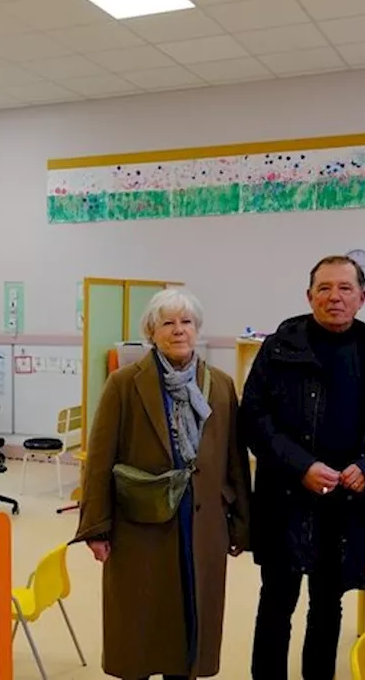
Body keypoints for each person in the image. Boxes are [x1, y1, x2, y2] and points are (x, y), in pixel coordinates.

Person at [243, 256, 365, 680]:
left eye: (344, 288)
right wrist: (302, 466)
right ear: (309, 295)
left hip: (349, 502)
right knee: (277, 601)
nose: (334, 297)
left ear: (362, 297)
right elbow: (254, 419)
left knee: (328, 603)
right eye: (324, 288)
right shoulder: (280, 346)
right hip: (286, 496)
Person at [74, 287, 252, 680]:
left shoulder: (219, 385)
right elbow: (100, 460)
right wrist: (96, 527)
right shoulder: (125, 383)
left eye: (186, 322)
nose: (178, 331)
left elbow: (234, 460)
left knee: (192, 612)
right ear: (151, 332)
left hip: (202, 520)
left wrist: (240, 523)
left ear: (198, 329)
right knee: (141, 615)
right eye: (167, 323)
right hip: (141, 521)